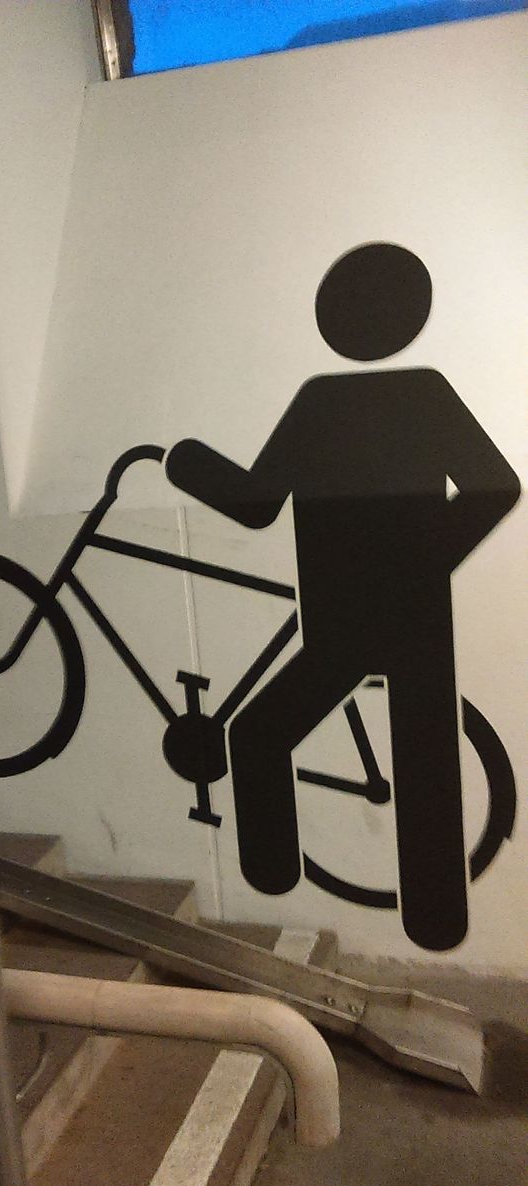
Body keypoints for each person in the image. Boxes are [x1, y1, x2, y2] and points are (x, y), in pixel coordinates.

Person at [166, 242, 520, 951]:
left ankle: (270, 875)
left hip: (340, 616)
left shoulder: (321, 402)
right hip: (416, 617)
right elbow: (495, 487)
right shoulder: (421, 393)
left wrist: (184, 462)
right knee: (426, 763)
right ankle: (436, 921)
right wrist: (426, 562)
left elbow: (255, 505)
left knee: (258, 735)